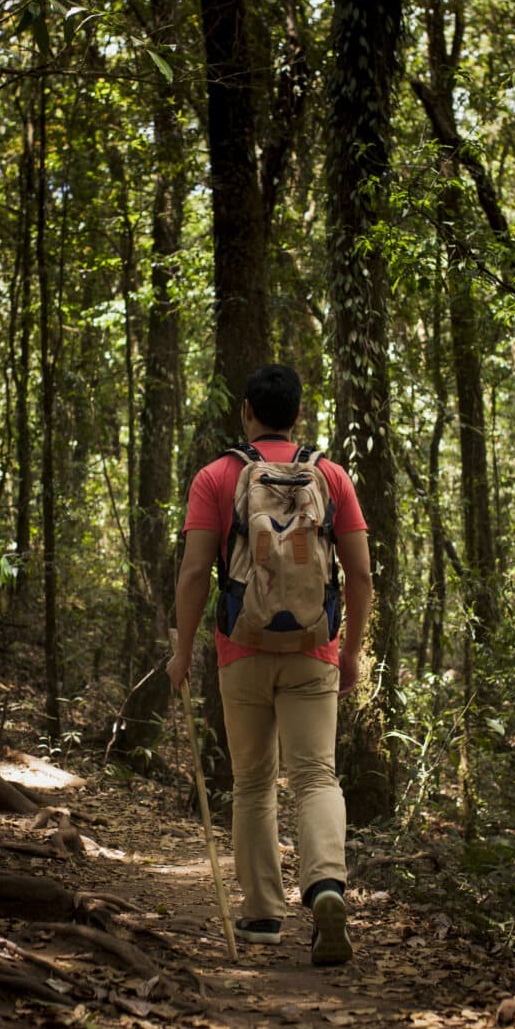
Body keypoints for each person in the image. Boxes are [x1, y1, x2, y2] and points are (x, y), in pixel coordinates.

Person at [166, 363, 374, 966]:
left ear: (247, 412)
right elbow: (358, 575)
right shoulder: (331, 476)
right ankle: (327, 885)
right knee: (317, 776)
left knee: (253, 781)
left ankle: (261, 915)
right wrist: (353, 650)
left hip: (242, 650)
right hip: (314, 650)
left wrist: (184, 651)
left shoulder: (217, 476)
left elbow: (193, 572)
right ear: (299, 415)